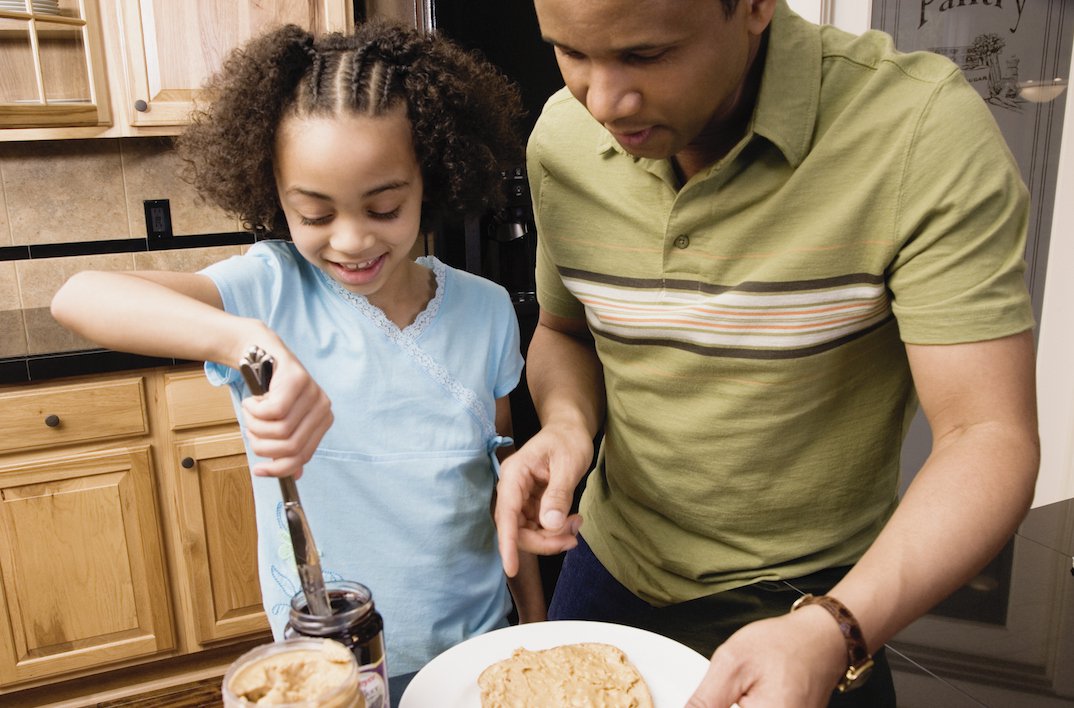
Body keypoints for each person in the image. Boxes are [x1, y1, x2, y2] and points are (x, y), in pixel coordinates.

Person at [493, 0, 1040, 706]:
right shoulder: (560, 139)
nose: (602, 100)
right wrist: (567, 424)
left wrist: (836, 626)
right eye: (569, 52)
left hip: (822, 599)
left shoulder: (921, 130)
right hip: (607, 567)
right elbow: (565, 333)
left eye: (645, 55)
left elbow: (988, 434)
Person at [51, 20, 546, 676]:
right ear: (275, 195)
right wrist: (247, 341)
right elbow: (79, 297)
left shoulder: (485, 311)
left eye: (383, 208)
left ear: (432, 177)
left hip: (476, 653)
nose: (350, 240)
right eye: (315, 215)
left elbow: (504, 481)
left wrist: (538, 627)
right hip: (331, 665)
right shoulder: (270, 290)